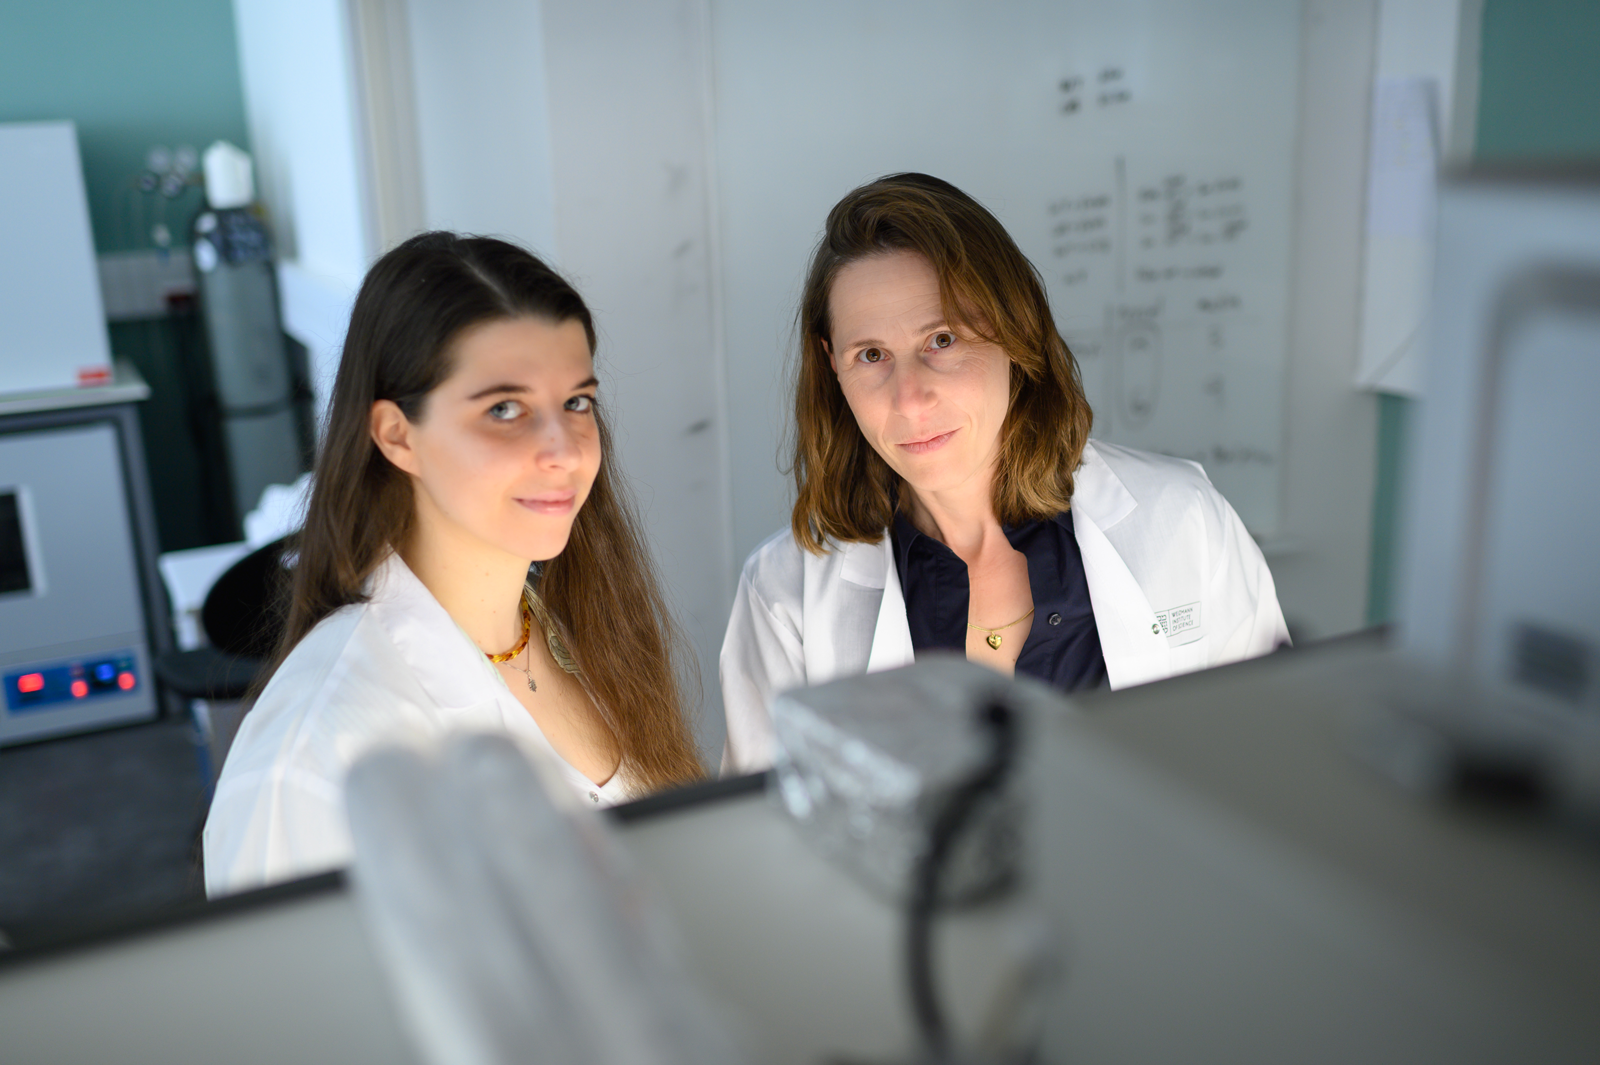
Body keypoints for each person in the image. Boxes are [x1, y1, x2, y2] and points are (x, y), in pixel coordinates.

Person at [720, 173, 1288, 774]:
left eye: (942, 340)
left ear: (1015, 332)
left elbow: (1273, 767)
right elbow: (758, 823)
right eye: (872, 355)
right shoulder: (784, 596)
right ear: (832, 365)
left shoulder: (1184, 522)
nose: (909, 399)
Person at [204, 233, 704, 895]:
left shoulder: (583, 631)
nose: (564, 451)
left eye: (576, 402)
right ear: (397, 435)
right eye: (504, 409)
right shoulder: (315, 753)